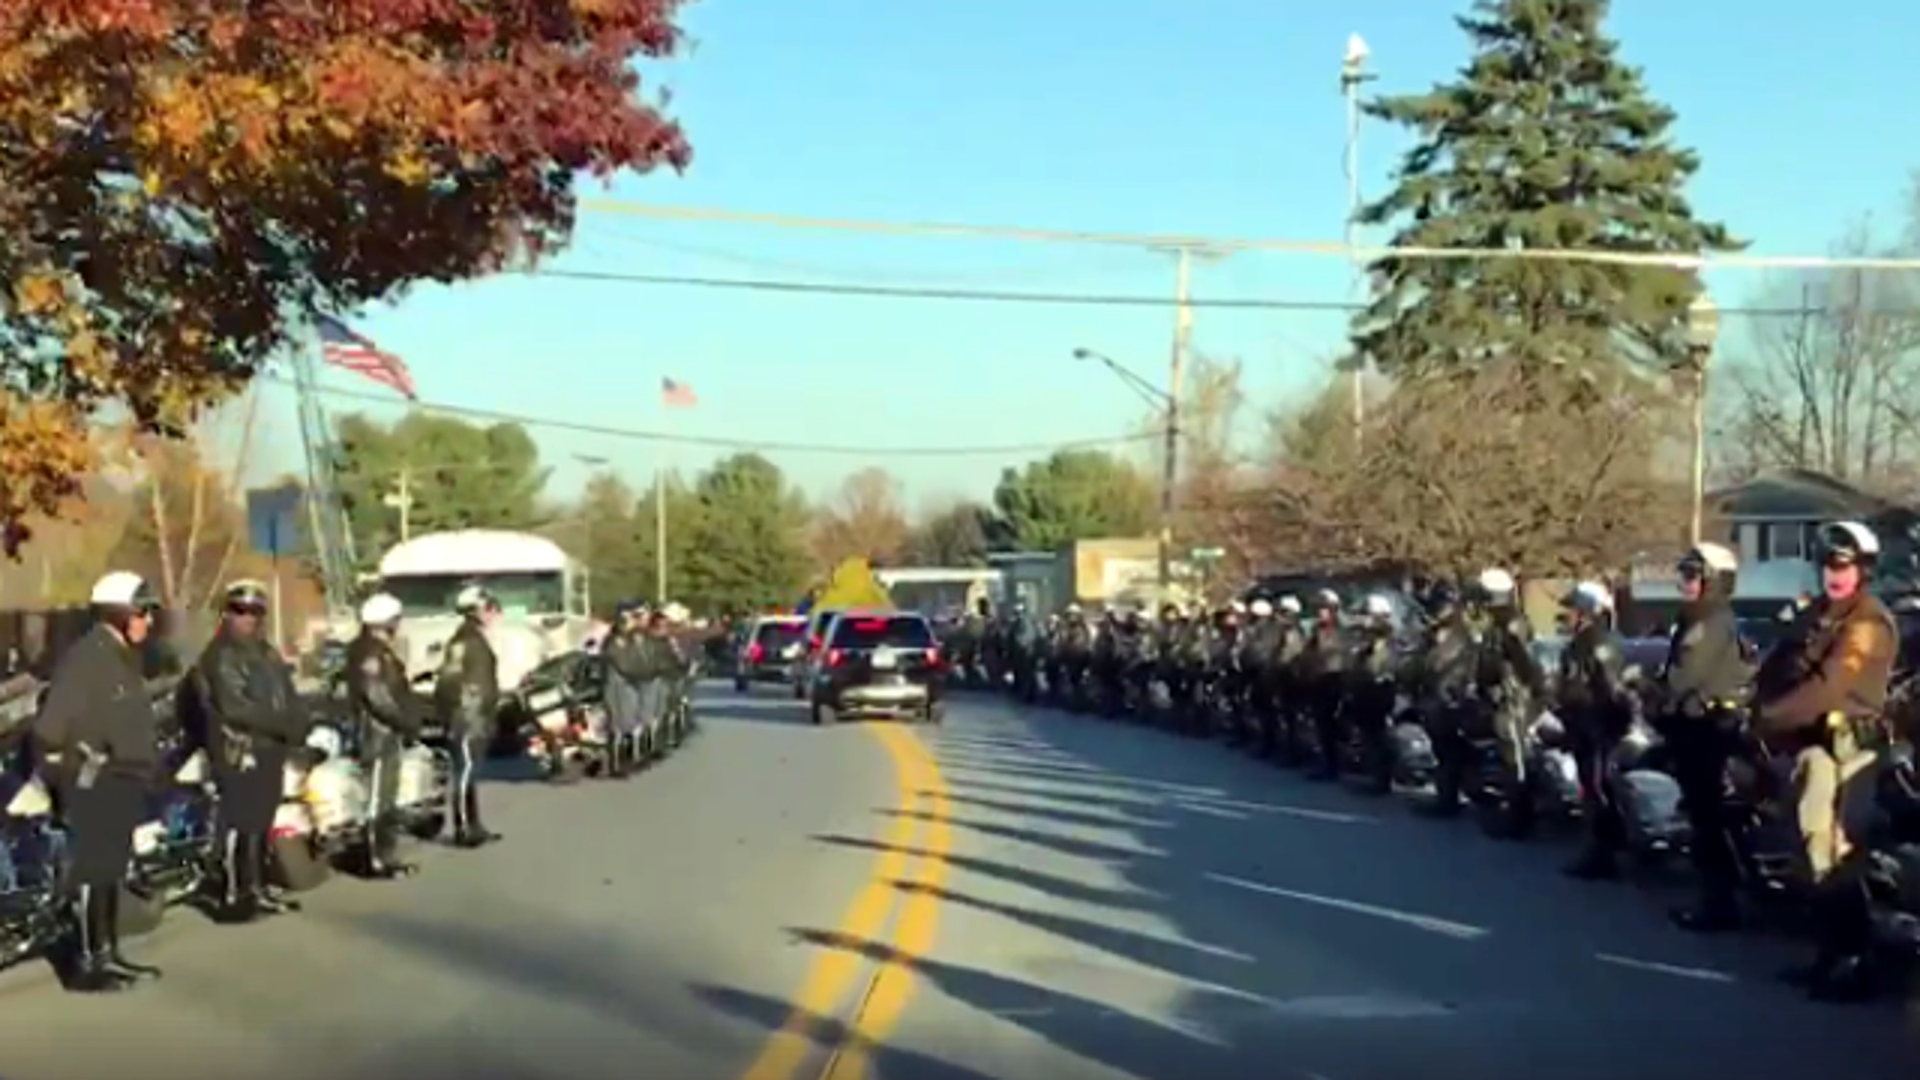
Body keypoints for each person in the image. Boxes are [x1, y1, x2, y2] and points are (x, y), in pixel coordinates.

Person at [1753, 521, 1898, 1001]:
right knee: (1812, 850)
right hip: (1812, 746)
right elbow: (1779, 665)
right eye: (1827, 564)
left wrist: (1770, 715)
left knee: (1841, 853)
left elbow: (1831, 686)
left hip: (1852, 752)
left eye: (1843, 564)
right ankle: (1829, 952)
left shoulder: (1868, 623)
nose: (1833, 573)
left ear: (1863, 569)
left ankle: (1859, 964)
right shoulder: (1819, 614)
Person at [30, 571, 165, 991]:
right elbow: (51, 727)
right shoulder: (87, 659)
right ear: (119, 613)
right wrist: (70, 774)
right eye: (142, 612)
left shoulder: (122, 658)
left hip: (123, 779)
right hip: (95, 781)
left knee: (110, 870)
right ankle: (87, 964)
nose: (149, 621)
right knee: (93, 871)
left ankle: (109, 954)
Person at [192, 580, 311, 923]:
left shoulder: (266, 652)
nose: (247, 618)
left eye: (254, 612)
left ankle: (256, 887)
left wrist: (299, 722)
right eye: (239, 611)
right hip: (238, 747)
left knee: (261, 820)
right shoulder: (220, 655)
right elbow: (236, 708)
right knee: (240, 821)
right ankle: (233, 894)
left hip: (269, 746)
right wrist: (283, 725)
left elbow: (286, 694)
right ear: (226, 613)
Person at [1655, 542, 1753, 932]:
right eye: (1685, 574)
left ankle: (1718, 904)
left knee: (1708, 820)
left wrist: (1652, 694)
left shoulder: (1708, 622)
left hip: (1707, 733)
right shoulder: (1704, 618)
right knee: (1706, 819)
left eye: (1693, 575)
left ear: (1713, 580)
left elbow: (1683, 677)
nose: (1685, 583)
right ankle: (1716, 897)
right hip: (1699, 730)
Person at [1558, 581, 1634, 880]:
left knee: (1598, 789)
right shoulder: (1583, 642)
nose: (1570, 615)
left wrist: (1611, 726)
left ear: (1588, 611)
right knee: (1590, 788)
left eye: (1575, 609)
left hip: (1597, 726)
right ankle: (1600, 849)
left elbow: (1611, 689)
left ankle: (1602, 854)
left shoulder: (1598, 642)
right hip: (1584, 724)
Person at [344, 592, 423, 878]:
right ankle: (375, 859)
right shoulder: (369, 652)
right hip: (375, 733)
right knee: (377, 799)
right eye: (395, 621)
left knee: (387, 796)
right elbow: (376, 695)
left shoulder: (378, 650)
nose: (398, 626)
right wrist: (405, 721)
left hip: (385, 731)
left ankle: (385, 855)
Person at [434, 584, 501, 847]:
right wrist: (456, 712)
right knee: (464, 771)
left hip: (478, 712)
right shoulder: (464, 641)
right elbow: (449, 681)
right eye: (488, 607)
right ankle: (462, 827)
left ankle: (475, 825)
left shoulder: (475, 638)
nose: (493, 613)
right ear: (475, 611)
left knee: (472, 771)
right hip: (466, 713)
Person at [601, 601, 650, 776]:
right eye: (627, 618)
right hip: (615, 685)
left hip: (632, 685)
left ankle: (633, 757)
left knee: (632, 722)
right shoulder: (613, 638)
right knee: (616, 725)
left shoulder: (637, 637)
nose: (629, 622)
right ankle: (615, 764)